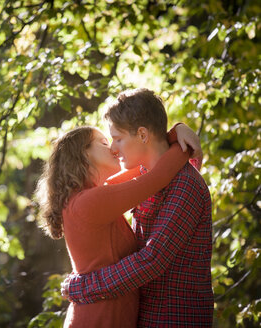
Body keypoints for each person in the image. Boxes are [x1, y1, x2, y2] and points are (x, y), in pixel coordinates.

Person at [62, 88, 213, 327]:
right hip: (142, 316)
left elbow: (152, 259)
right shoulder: (142, 177)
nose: (113, 147)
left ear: (142, 135)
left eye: (118, 138)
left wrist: (86, 286)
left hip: (174, 318)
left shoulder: (185, 185)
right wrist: (176, 133)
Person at [34, 117, 201, 327]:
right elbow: (158, 176)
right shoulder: (88, 202)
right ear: (83, 155)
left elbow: (150, 162)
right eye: (104, 143)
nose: (113, 148)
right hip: (99, 318)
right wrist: (185, 146)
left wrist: (176, 132)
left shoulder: (89, 196)